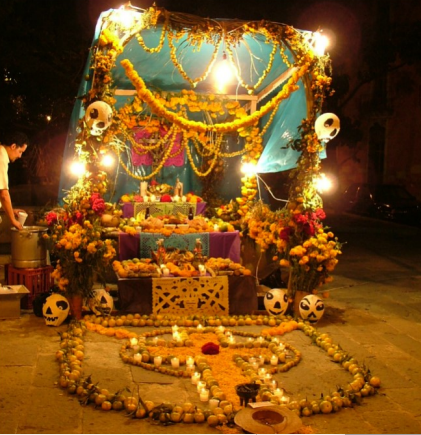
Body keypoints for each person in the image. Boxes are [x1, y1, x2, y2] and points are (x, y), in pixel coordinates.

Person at [0, 131, 29, 230]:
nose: (20, 156)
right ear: (13, 146)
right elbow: (3, 194)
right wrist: (13, 220)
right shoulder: (1, 157)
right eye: (20, 151)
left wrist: (11, 211)